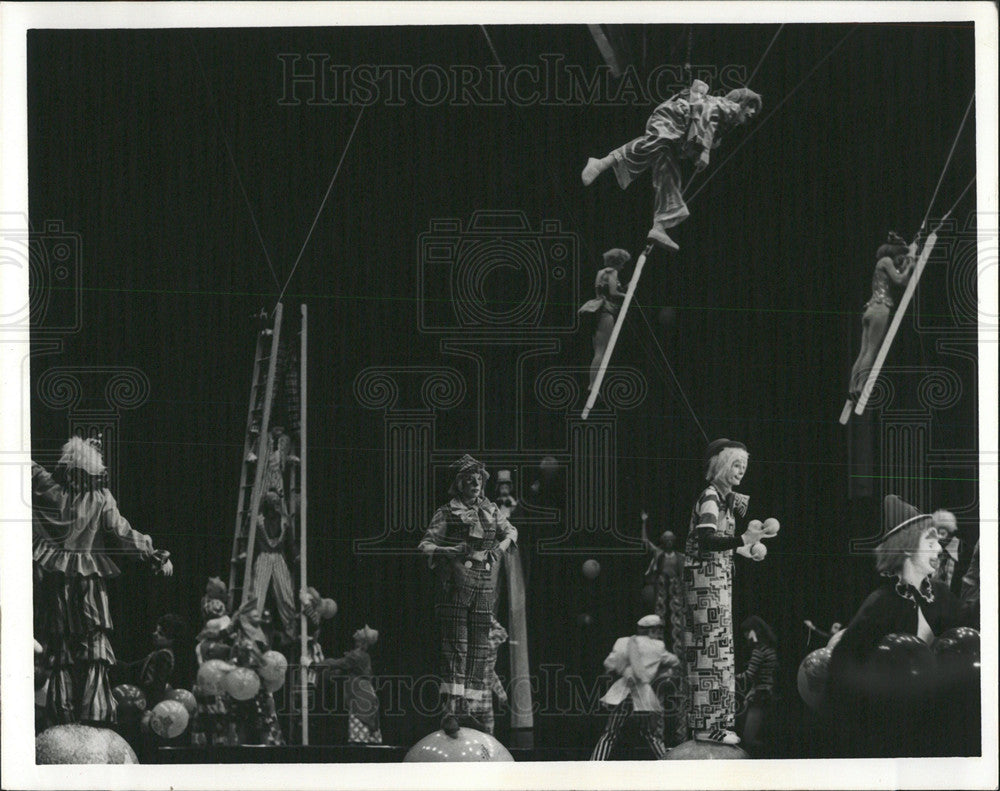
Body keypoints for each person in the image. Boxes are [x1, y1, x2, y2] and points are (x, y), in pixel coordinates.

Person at [31, 436, 173, 725]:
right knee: (91, 646)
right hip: (88, 583)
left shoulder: (54, 489)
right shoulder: (99, 497)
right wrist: (154, 555)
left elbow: (28, 468)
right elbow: (122, 533)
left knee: (64, 648)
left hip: (60, 581)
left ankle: (65, 713)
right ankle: (92, 714)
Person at [826, 495, 979, 756]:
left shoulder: (941, 595)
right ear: (908, 548)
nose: (940, 550)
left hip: (939, 730)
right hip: (894, 734)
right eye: (930, 543)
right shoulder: (880, 604)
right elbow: (842, 670)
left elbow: (967, 639)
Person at [581, 80, 762, 251]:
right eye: (750, 106)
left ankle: (659, 226)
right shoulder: (730, 106)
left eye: (755, 109)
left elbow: (705, 128)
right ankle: (602, 163)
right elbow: (708, 113)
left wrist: (702, 148)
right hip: (673, 116)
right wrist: (705, 150)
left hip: (677, 131)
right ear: (741, 101)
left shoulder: (728, 124)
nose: (752, 112)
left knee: (667, 173)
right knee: (659, 142)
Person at [681, 439, 776, 745]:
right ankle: (707, 724)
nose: (740, 472)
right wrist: (741, 541)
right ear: (721, 465)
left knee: (721, 653)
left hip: (718, 583)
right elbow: (707, 539)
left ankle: (720, 721)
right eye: (736, 465)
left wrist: (749, 549)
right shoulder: (710, 497)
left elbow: (724, 543)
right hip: (704, 584)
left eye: (743, 467)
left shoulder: (726, 502)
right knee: (708, 654)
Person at [418, 454, 518, 732]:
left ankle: (466, 709)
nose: (475, 483)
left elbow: (511, 531)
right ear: (459, 483)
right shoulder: (447, 512)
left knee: (478, 647)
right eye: (469, 479)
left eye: (479, 479)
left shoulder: (491, 509)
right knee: (457, 646)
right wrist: (449, 550)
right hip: (456, 582)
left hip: (483, 581)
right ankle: (449, 710)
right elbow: (425, 545)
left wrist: (501, 546)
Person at [590, 614, 680, 760]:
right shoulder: (658, 646)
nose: (658, 634)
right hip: (643, 694)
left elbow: (609, 664)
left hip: (624, 691)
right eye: (657, 630)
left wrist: (622, 669)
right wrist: (660, 673)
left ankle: (595, 763)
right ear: (652, 630)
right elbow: (674, 661)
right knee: (650, 734)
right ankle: (666, 763)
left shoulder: (622, 642)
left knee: (610, 733)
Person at [847, 233, 916, 400]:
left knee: (863, 351)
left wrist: (908, 264)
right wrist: (910, 264)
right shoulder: (886, 261)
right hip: (880, 308)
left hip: (871, 308)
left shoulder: (883, 263)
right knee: (871, 351)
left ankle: (852, 387)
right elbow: (900, 280)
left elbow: (900, 275)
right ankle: (860, 386)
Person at [578, 248, 631, 391]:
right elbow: (613, 292)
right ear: (618, 262)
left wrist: (626, 288)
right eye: (622, 263)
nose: (623, 267)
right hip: (605, 312)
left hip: (596, 312)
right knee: (602, 350)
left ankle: (592, 383)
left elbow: (602, 293)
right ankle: (593, 385)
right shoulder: (613, 272)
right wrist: (628, 296)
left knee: (597, 351)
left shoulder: (600, 273)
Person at [250, 489, 298, 645]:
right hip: (263, 556)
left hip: (278, 558)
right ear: (267, 504)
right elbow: (248, 541)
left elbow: (290, 544)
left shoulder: (285, 521)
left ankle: (290, 631)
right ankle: (252, 631)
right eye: (272, 502)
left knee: (286, 595)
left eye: (277, 501)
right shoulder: (257, 521)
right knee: (257, 595)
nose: (275, 504)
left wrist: (295, 557)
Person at [320, 625, 382, 744]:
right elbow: (338, 672)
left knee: (360, 741)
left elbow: (336, 664)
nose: (357, 630)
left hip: (361, 699)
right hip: (363, 697)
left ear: (362, 639)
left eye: (361, 630)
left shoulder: (357, 656)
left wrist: (312, 663)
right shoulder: (358, 657)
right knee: (363, 739)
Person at [736, 615, 778, 753]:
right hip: (767, 693)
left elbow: (749, 675)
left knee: (748, 738)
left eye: (747, 632)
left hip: (760, 696)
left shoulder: (758, 651)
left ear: (753, 631)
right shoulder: (769, 648)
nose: (745, 635)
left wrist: (729, 677)